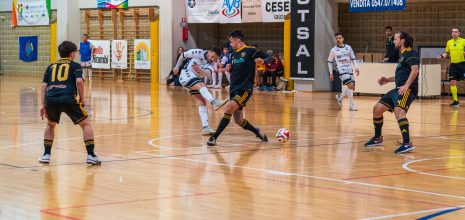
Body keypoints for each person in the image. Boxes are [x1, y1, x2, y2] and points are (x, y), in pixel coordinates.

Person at [39, 41, 101, 165]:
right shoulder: (75, 65)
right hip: (68, 98)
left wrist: (42, 104)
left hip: (51, 98)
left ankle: (46, 155)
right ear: (72, 54)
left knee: (50, 124)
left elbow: (44, 86)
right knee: (86, 124)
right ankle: (91, 155)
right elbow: (79, 81)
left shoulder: (51, 66)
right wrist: (82, 98)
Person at [207, 30, 270, 146]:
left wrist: (263, 60)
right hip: (234, 89)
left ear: (237, 40)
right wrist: (229, 68)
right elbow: (235, 70)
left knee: (228, 109)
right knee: (239, 121)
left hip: (244, 89)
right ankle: (257, 131)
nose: (230, 45)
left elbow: (269, 58)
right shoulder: (233, 55)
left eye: (231, 42)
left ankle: (214, 137)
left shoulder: (251, 51)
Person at [364, 31, 419, 154]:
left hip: (407, 90)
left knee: (399, 111)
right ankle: (378, 138)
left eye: (395, 39)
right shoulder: (403, 55)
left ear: (403, 41)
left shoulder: (411, 53)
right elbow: (402, 75)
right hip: (397, 89)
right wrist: (387, 80)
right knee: (377, 109)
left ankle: (407, 143)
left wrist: (406, 86)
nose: (393, 41)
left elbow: (415, 70)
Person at [172, 47, 228, 135]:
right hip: (186, 74)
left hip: (194, 78)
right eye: (212, 56)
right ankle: (215, 102)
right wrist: (177, 66)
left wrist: (201, 70)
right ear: (209, 52)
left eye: (215, 59)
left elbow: (208, 74)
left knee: (201, 101)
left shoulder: (211, 64)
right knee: (202, 85)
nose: (212, 59)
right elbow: (183, 55)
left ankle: (205, 128)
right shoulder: (198, 52)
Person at [327, 32, 360, 111]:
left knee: (352, 87)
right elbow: (329, 61)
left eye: (339, 38)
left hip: (349, 70)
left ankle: (340, 97)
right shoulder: (333, 50)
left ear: (343, 39)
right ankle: (351, 105)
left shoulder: (348, 48)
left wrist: (356, 67)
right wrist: (331, 73)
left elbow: (353, 58)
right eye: (337, 38)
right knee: (351, 86)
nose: (338, 39)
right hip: (341, 71)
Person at [436, 27, 465, 107]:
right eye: (453, 32)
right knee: (452, 83)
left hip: (463, 64)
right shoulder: (449, 42)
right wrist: (441, 56)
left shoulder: (463, 41)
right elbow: (447, 53)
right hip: (453, 65)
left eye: (456, 32)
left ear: (459, 33)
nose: (454, 33)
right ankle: (456, 101)